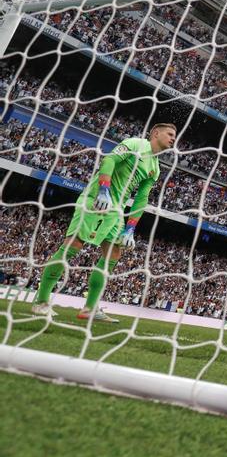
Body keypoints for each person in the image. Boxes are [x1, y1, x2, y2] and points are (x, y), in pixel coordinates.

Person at [31, 123, 176, 323]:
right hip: (96, 200)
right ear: (156, 133)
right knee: (72, 246)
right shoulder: (135, 144)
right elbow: (109, 161)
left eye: (174, 135)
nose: (173, 138)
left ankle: (90, 308)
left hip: (116, 210)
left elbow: (142, 198)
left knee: (113, 254)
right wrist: (103, 189)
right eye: (170, 134)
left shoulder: (155, 167)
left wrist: (130, 229)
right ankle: (41, 301)